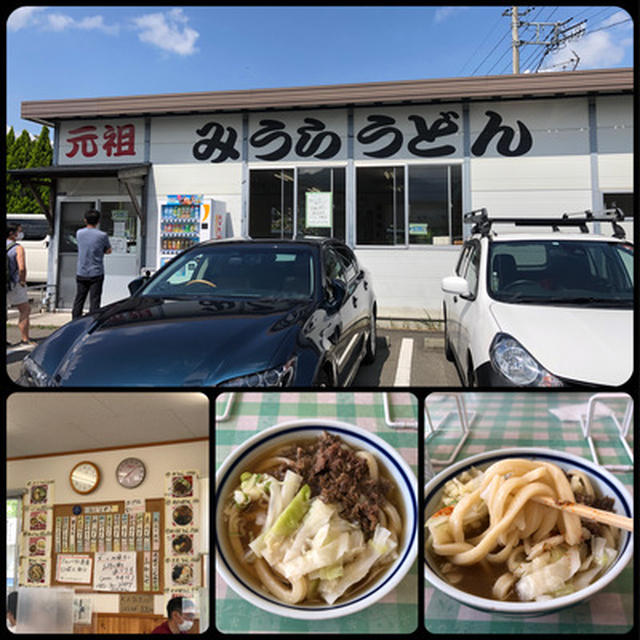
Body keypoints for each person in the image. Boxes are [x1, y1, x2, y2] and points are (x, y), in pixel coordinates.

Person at [72, 209, 111, 320]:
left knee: (79, 298)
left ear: (85, 220)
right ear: (98, 221)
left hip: (82, 271)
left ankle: (75, 320)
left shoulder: (79, 233)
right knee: (95, 300)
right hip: (96, 272)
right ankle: (92, 321)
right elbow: (108, 250)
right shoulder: (102, 235)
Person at [6, 224, 36, 346]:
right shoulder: (18, 248)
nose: (20, 234)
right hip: (14, 284)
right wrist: (22, 281)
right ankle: (24, 339)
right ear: (12, 234)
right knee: (25, 310)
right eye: (18, 232)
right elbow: (22, 268)